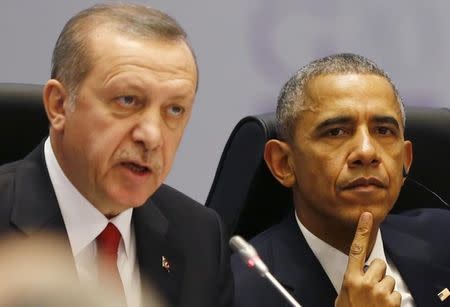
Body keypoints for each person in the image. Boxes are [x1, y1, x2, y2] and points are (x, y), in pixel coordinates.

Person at [0, 3, 232, 307]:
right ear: (58, 105)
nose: (151, 136)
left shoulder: (199, 236)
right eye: (127, 100)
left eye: (174, 109)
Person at [232, 53, 450, 307]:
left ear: (405, 161)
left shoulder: (444, 240)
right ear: (283, 163)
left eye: (383, 131)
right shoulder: (235, 292)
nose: (367, 152)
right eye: (335, 132)